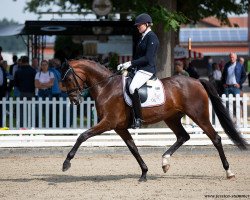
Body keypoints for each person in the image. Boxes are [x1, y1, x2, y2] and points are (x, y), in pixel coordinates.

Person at [117, 13, 159, 128]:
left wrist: (130, 63)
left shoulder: (152, 37)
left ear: (147, 24)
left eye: (139, 25)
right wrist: (127, 66)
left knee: (132, 87)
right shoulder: (142, 37)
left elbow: (147, 58)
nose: (137, 27)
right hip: (139, 69)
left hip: (147, 69)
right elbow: (138, 57)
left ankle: (138, 118)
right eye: (137, 25)